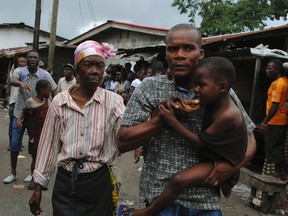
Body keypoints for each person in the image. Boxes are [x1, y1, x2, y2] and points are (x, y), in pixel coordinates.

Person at [117, 24, 256, 215]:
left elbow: (249, 140)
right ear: (166, 53)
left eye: (188, 48)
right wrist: (165, 118)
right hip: (159, 195)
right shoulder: (150, 88)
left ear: (201, 54)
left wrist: (232, 166)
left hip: (204, 200)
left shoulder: (220, 91)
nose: (179, 55)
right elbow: (123, 142)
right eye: (172, 49)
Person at [131, 57, 248, 216]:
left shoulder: (228, 114)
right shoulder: (214, 100)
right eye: (195, 84)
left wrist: (172, 121)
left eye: (201, 85)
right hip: (215, 156)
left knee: (179, 181)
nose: (195, 89)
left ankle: (147, 212)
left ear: (222, 87)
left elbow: (200, 142)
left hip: (222, 162)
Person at [29, 40, 125, 216]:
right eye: (88, 64)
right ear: (77, 68)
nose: (95, 70)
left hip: (98, 181)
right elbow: (48, 146)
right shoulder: (60, 102)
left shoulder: (113, 101)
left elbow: (127, 130)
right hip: (66, 182)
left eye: (99, 65)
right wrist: (38, 187)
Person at [3, 50, 57, 184]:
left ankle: (32, 173)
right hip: (19, 113)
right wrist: (21, 83)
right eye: (30, 57)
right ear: (26, 60)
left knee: (35, 145)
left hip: (36, 117)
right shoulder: (20, 72)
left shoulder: (45, 74)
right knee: (15, 144)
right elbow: (12, 80)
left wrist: (54, 107)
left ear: (38, 61)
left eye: (35, 58)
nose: (32, 59)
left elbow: (55, 90)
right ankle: (13, 173)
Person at [16, 80, 52, 190]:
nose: (50, 92)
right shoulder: (31, 102)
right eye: (48, 90)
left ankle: (41, 181)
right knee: (35, 158)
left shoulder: (48, 102)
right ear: (42, 90)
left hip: (45, 135)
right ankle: (33, 180)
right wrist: (19, 120)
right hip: (34, 136)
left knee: (44, 159)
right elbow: (23, 112)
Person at [260, 59, 288, 181]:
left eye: (269, 68)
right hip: (282, 121)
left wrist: (265, 122)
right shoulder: (285, 81)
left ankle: (285, 172)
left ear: (277, 69)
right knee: (277, 148)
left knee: (273, 150)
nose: (267, 70)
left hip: (275, 122)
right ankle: (277, 173)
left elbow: (274, 106)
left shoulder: (277, 84)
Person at [7, 56, 27, 151]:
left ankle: (17, 142)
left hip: (23, 101)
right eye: (20, 61)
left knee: (21, 123)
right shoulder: (15, 71)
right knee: (13, 123)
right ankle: (12, 143)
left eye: (24, 61)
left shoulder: (27, 72)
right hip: (14, 100)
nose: (22, 63)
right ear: (18, 62)